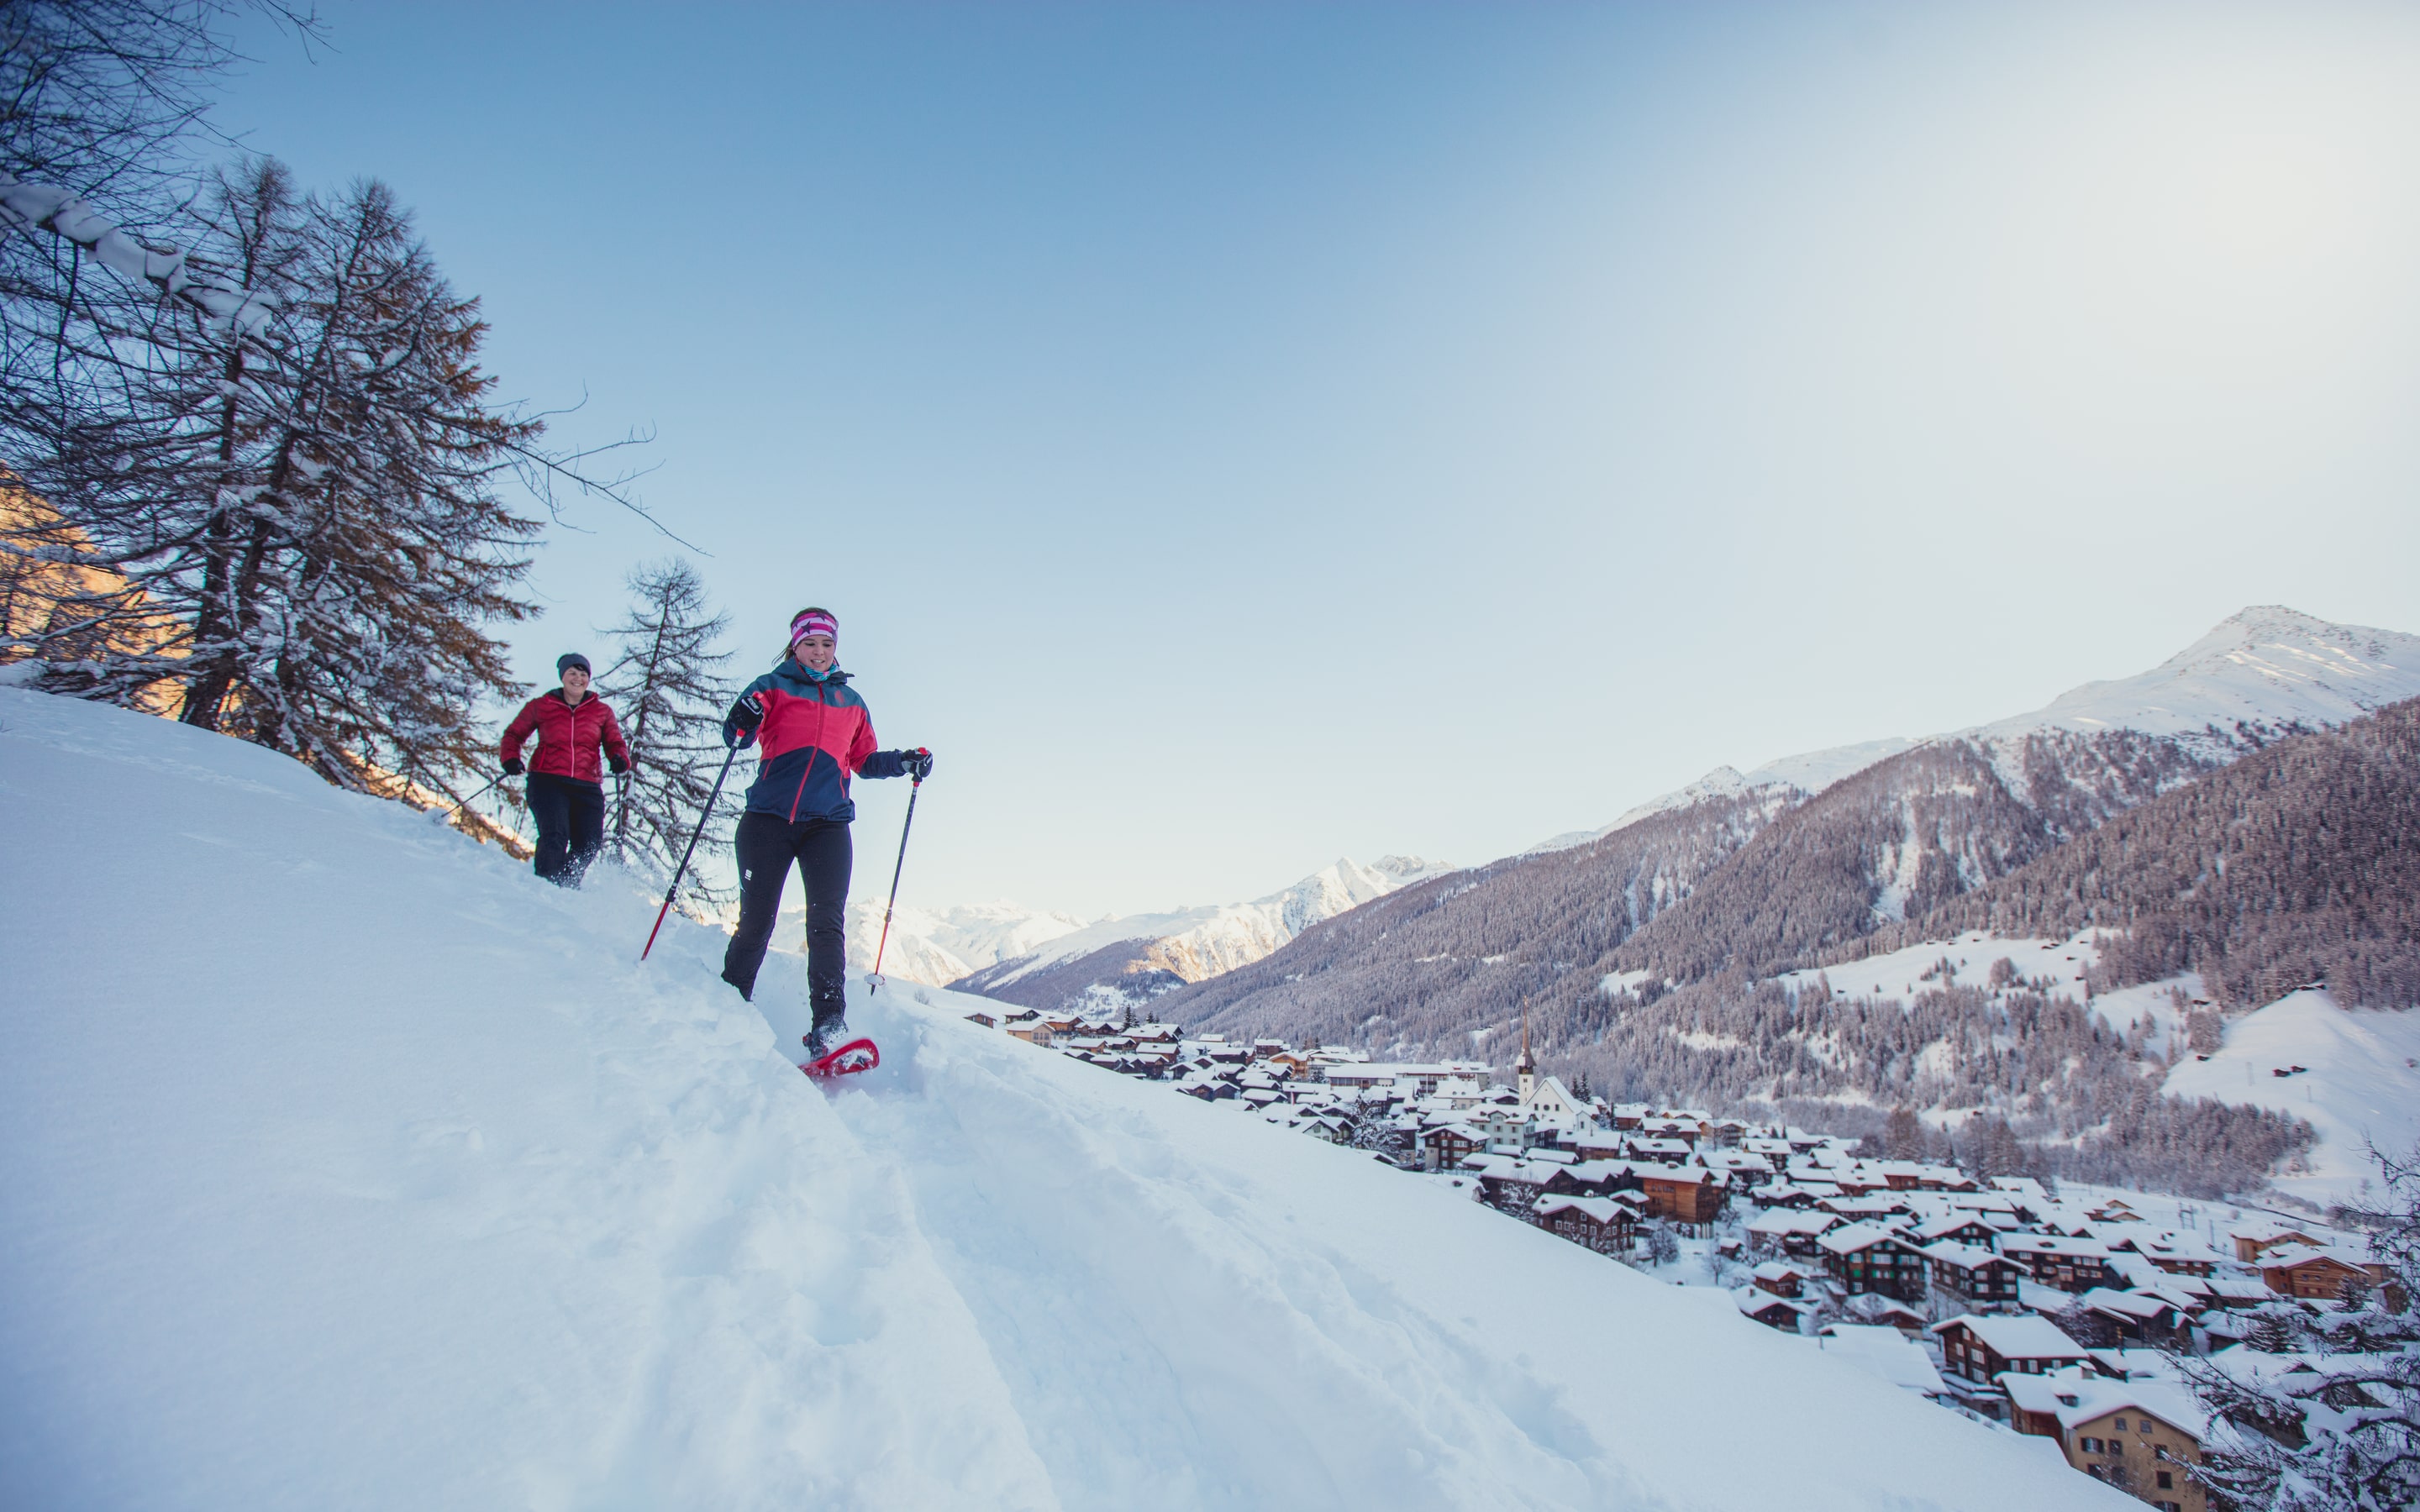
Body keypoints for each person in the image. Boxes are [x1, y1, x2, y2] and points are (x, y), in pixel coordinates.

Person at [720, 607, 931, 1058]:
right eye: (810, 643)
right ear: (794, 645)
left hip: (828, 825)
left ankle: (830, 1027)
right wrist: (743, 715)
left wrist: (905, 761)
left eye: (827, 644)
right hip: (768, 821)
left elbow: (865, 761)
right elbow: (736, 737)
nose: (819, 652)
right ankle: (729, 1005)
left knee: (827, 924)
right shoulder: (770, 687)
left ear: (836, 648)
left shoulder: (851, 702)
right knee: (757, 921)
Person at [500, 653, 631, 888]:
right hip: (547, 780)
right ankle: (546, 889)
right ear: (563, 676)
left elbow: (614, 742)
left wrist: (619, 757)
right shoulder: (541, 706)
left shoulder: (601, 712)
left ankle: (566, 885)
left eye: (583, 674)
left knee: (589, 843)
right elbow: (514, 734)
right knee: (555, 835)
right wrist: (510, 758)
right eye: (572, 672)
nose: (578, 678)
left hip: (587, 785)